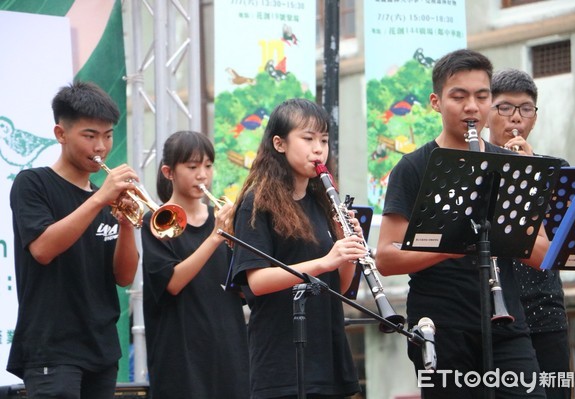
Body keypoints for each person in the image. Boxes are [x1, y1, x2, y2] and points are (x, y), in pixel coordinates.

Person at [375, 49, 548, 398]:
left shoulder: (511, 165)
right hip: (441, 328)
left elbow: (543, 254)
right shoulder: (412, 167)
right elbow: (386, 258)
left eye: (482, 96)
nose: (472, 107)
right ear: (436, 102)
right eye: (459, 96)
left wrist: (500, 237)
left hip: (507, 324)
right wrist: (453, 245)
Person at [8, 81, 139, 398]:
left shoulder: (105, 198)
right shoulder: (33, 184)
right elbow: (42, 249)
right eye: (90, 135)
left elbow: (123, 277)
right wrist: (98, 200)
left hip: (102, 349)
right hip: (52, 349)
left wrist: (126, 226)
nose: (101, 147)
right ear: (60, 134)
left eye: (107, 136)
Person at [229, 98, 364, 398]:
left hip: (325, 353)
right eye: (308, 138)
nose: (319, 149)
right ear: (279, 143)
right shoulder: (257, 202)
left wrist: (346, 246)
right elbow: (257, 282)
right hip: (282, 361)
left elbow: (337, 286)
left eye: (324, 140)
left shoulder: (323, 202)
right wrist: (326, 260)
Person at [141, 130, 250, 398]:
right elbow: (172, 283)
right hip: (180, 353)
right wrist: (216, 236)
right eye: (192, 167)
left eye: (208, 166)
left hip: (228, 347)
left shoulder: (225, 220)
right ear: (169, 172)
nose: (202, 175)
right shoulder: (156, 221)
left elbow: (242, 288)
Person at [487, 68, 570, 399]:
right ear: (487, 113)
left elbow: (561, 240)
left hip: (546, 310)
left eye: (525, 109)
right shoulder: (476, 166)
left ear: (535, 117)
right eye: (505, 107)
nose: (515, 118)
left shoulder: (556, 169)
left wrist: (532, 170)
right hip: (496, 314)